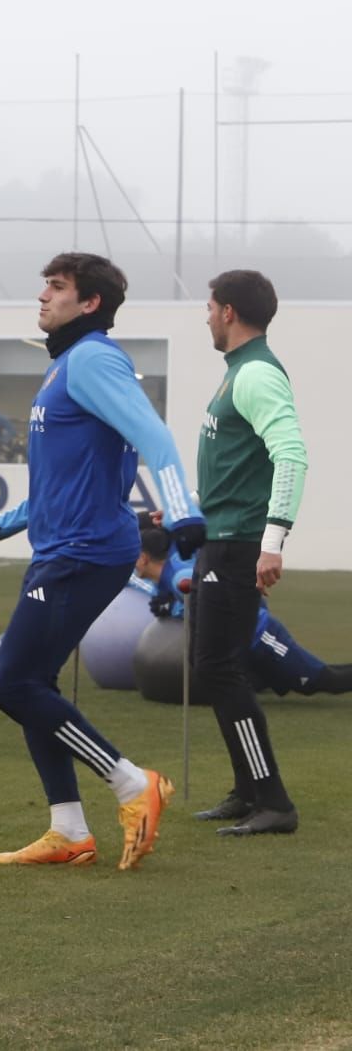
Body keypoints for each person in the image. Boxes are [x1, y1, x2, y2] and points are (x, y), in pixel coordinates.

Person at [0, 253, 202, 871]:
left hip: (87, 551)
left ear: (90, 302)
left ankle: (132, 784)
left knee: (11, 684)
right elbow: (63, 477)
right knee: (31, 685)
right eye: (44, 283)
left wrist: (183, 513)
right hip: (63, 546)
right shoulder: (66, 365)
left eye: (58, 286)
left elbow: (156, 437)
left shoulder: (92, 358)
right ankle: (68, 829)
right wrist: (4, 524)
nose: (43, 295)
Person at [189, 270, 309, 835]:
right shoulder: (238, 372)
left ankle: (273, 802)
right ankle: (247, 789)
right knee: (214, 667)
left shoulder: (257, 372)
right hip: (221, 537)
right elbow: (238, 467)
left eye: (210, 307)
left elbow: (291, 456)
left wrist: (272, 543)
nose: (207, 316)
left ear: (230, 311)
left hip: (239, 546)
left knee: (219, 667)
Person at [132, 525, 352, 698]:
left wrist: (175, 607)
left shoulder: (180, 578)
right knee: (304, 681)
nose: (132, 563)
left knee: (320, 680)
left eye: (134, 556)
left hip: (261, 636)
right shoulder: (168, 575)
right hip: (241, 644)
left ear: (143, 557)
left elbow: (208, 601)